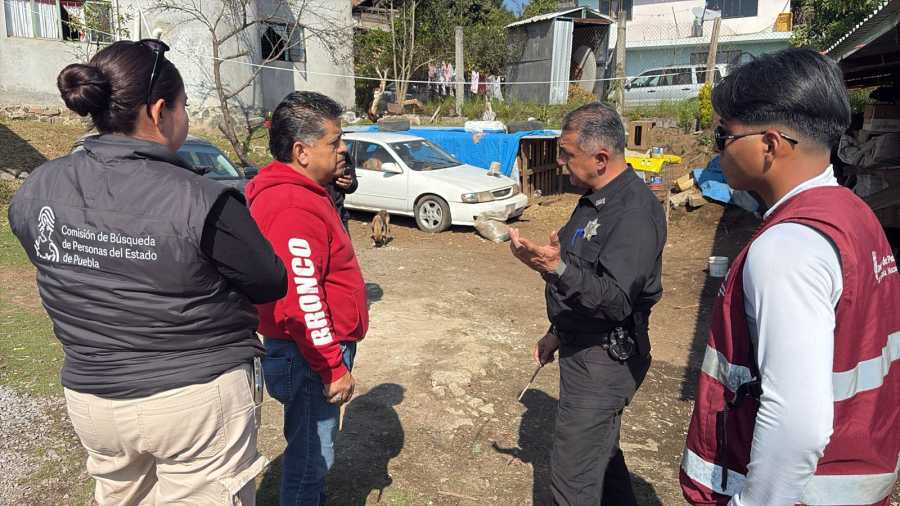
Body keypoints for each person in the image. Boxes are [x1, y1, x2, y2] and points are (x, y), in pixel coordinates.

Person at [7, 40, 287, 505]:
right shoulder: (200, 198)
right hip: (193, 400)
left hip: (93, 399)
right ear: (159, 111)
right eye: (184, 107)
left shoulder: (39, 185)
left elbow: (39, 247)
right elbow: (269, 279)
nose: (185, 117)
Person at [680, 47, 900, 506]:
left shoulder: (787, 248)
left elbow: (797, 422)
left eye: (724, 135)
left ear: (770, 144)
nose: (716, 149)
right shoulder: (853, 214)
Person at [508, 101, 666, 506]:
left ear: (600, 157)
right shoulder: (596, 197)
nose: (560, 162)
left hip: (606, 360)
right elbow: (581, 273)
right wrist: (557, 330)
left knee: (572, 480)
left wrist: (555, 268)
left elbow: (613, 300)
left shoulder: (633, 212)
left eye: (567, 153)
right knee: (602, 454)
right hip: (582, 345)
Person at [245, 91, 369, 505]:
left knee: (310, 450)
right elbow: (303, 299)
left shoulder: (303, 190)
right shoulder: (294, 202)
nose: (343, 149)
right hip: (308, 354)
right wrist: (332, 365)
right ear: (301, 151)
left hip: (304, 350)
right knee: (311, 459)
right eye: (334, 142)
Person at [326, 155, 358, 235]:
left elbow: (353, 181)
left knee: (345, 247)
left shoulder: (342, 149)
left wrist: (350, 183)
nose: (343, 147)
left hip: (339, 212)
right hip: (314, 210)